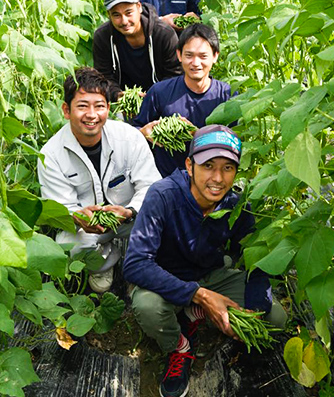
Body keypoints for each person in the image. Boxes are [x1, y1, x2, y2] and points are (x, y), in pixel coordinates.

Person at [123, 125, 287, 397]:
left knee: (275, 317)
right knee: (148, 307)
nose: (218, 178)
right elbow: (136, 264)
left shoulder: (236, 203)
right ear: (190, 165)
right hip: (167, 280)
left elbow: (256, 258)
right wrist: (200, 295)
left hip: (212, 274)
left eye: (228, 168)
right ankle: (179, 347)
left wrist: (252, 309)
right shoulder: (163, 196)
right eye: (208, 165)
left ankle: (194, 314)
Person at [37, 67, 161, 293]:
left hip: (129, 218)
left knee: (161, 223)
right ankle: (105, 262)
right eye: (82, 106)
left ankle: (140, 265)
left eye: (99, 106)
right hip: (87, 227)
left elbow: (150, 185)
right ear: (66, 110)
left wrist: (130, 211)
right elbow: (60, 207)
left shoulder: (129, 137)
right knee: (68, 245)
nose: (92, 115)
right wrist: (76, 216)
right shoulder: (51, 154)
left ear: (108, 109)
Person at [130, 23, 230, 177]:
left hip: (213, 181)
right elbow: (133, 131)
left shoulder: (226, 96)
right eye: (189, 55)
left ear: (215, 56)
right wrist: (143, 133)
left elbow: (235, 141)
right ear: (179, 55)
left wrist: (197, 135)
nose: (195, 63)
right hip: (166, 181)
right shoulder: (159, 92)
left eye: (203, 56)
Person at [92, 0, 181, 95]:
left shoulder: (164, 34)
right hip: (121, 103)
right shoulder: (103, 37)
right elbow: (103, 76)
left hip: (161, 98)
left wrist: (152, 96)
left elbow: (175, 74)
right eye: (116, 15)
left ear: (139, 7)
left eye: (128, 13)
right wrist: (118, 95)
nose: (124, 21)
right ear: (109, 14)